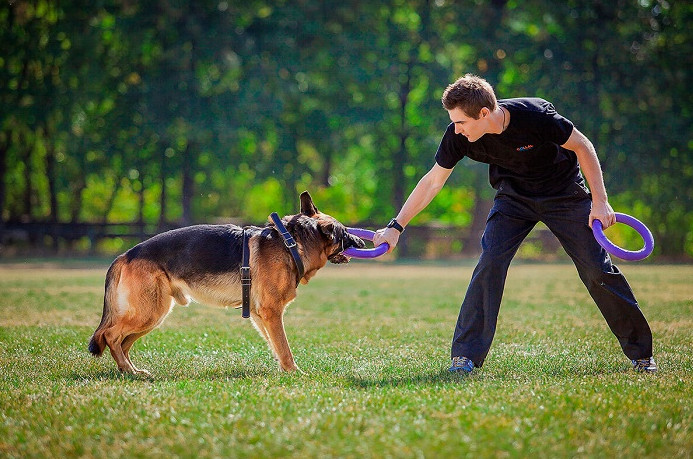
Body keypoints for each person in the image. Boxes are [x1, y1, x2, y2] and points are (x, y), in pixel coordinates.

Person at [373, 74, 656, 374]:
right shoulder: (458, 137)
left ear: (483, 114)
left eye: (461, 122)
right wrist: (396, 226)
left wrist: (600, 201)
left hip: (563, 194)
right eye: (454, 122)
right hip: (513, 198)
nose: (456, 129)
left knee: (596, 268)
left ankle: (641, 354)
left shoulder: (534, 116)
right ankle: (465, 357)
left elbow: (583, 146)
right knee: (490, 261)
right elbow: (432, 182)